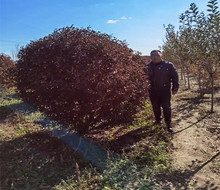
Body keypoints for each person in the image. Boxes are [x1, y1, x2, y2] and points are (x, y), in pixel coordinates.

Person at [144, 50, 179, 132]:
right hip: (153, 91)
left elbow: (175, 77)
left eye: (157, 55)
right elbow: (143, 79)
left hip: (165, 90)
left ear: (161, 56)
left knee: (166, 107)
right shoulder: (147, 67)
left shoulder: (168, 65)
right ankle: (158, 121)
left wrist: (175, 88)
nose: (155, 57)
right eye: (152, 56)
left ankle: (168, 124)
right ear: (150, 57)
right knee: (155, 107)